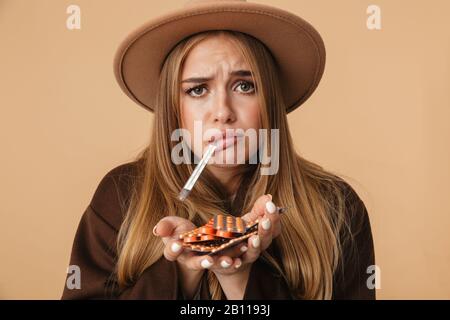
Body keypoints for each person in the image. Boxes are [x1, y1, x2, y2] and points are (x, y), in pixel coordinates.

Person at [62, 0, 375, 300]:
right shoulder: (121, 195)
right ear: (174, 109)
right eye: (198, 90)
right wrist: (183, 269)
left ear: (268, 101)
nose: (222, 111)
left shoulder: (336, 207)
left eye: (244, 86)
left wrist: (239, 279)